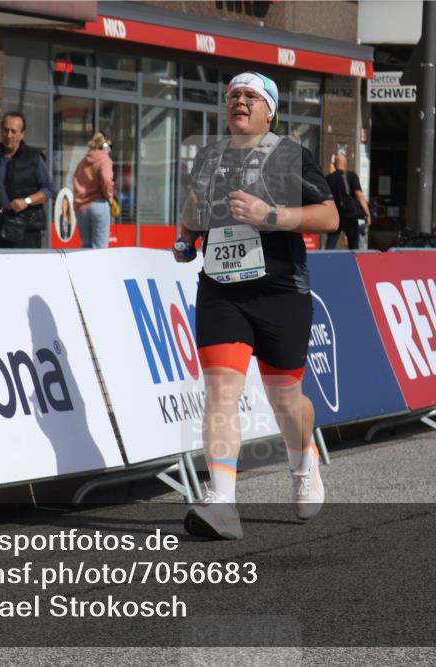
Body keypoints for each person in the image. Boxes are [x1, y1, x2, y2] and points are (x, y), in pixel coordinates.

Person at [174, 71, 338, 540]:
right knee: (221, 392)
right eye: (233, 96)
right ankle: (221, 503)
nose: (240, 102)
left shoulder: (290, 154)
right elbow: (193, 205)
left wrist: (271, 216)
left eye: (250, 96)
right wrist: (187, 237)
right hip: (222, 290)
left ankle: (303, 456)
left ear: (270, 110)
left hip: (280, 290)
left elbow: (329, 216)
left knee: (285, 400)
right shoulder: (208, 156)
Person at [0, 112, 54, 248]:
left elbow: (49, 189)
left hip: (25, 231)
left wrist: (26, 201)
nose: (8, 135)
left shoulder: (33, 157)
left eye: (13, 131)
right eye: (5, 130)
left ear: (22, 134)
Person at [72, 132, 118, 249]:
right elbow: (107, 179)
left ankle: (86, 268)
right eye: (110, 147)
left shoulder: (83, 162)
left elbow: (75, 181)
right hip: (99, 204)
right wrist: (110, 196)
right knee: (100, 248)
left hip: (81, 207)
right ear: (105, 147)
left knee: (86, 247)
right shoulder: (105, 160)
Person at [325, 153, 371, 249]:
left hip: (334, 215)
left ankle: (325, 261)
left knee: (331, 243)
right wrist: (367, 213)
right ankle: (353, 262)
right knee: (354, 244)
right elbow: (359, 195)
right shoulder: (351, 176)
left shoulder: (328, 178)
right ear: (345, 164)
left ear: (335, 164)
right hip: (349, 215)